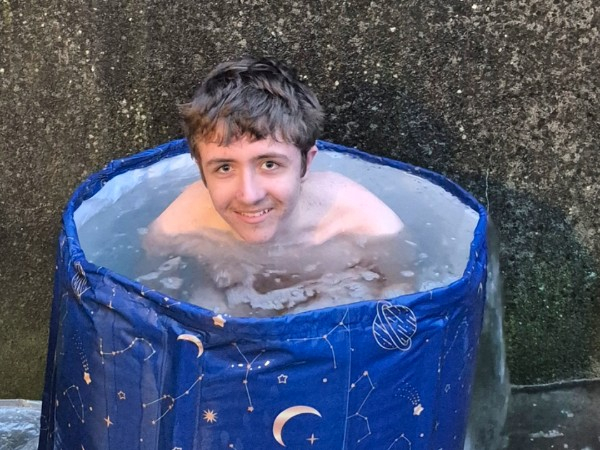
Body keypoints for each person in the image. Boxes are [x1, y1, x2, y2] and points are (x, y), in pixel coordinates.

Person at [143, 56, 409, 315]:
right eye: (224, 168)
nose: (249, 195)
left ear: (306, 163)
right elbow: (145, 311)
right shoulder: (177, 228)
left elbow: (403, 317)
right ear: (201, 171)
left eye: (269, 164)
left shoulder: (372, 231)